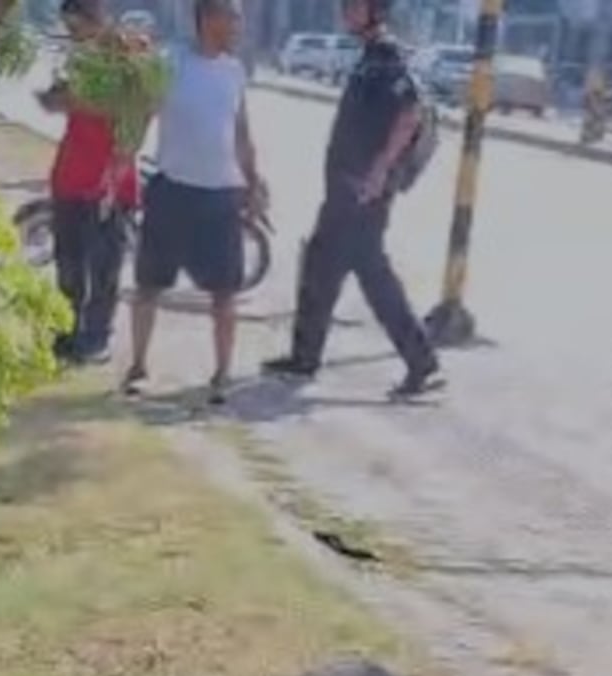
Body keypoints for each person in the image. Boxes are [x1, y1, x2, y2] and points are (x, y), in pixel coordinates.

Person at [262, 0, 441, 398]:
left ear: (375, 10)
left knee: (372, 277)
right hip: (345, 187)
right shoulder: (369, 57)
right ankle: (305, 356)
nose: (345, 11)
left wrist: (379, 171)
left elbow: (410, 113)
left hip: (363, 192)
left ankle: (422, 362)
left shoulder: (387, 56)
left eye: (354, 6)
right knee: (322, 265)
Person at [123, 0, 266, 402]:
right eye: (232, 17)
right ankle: (138, 365)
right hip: (173, 190)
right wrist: (121, 161)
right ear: (208, 19)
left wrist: (253, 181)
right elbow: (143, 115)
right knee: (149, 285)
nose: (238, 25)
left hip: (221, 196)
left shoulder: (234, 71)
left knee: (225, 293)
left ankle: (222, 374)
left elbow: (241, 133)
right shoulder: (170, 63)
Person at [37, 0, 139, 363]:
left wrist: (77, 102)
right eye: (68, 29)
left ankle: (97, 337)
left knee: (104, 266)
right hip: (70, 174)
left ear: (97, 17)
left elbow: (135, 109)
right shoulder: (77, 58)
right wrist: (56, 99)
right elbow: (65, 97)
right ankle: (69, 329)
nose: (72, 35)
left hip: (110, 179)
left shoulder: (128, 54)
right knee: (69, 262)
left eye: (76, 27)